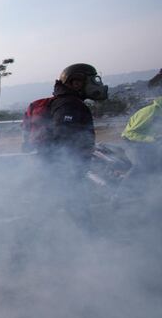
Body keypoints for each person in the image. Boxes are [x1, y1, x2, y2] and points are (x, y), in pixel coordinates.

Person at [35, 63, 107, 226]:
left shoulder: (67, 102)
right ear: (76, 83)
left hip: (59, 167)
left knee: (63, 205)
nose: (95, 84)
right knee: (67, 204)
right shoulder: (69, 104)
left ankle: (88, 236)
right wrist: (71, 165)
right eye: (91, 80)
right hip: (63, 168)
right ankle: (89, 237)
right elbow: (63, 136)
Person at [118, 70, 162, 197]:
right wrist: (152, 138)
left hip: (153, 145)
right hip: (134, 144)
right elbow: (129, 133)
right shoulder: (151, 111)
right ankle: (118, 197)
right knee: (142, 165)